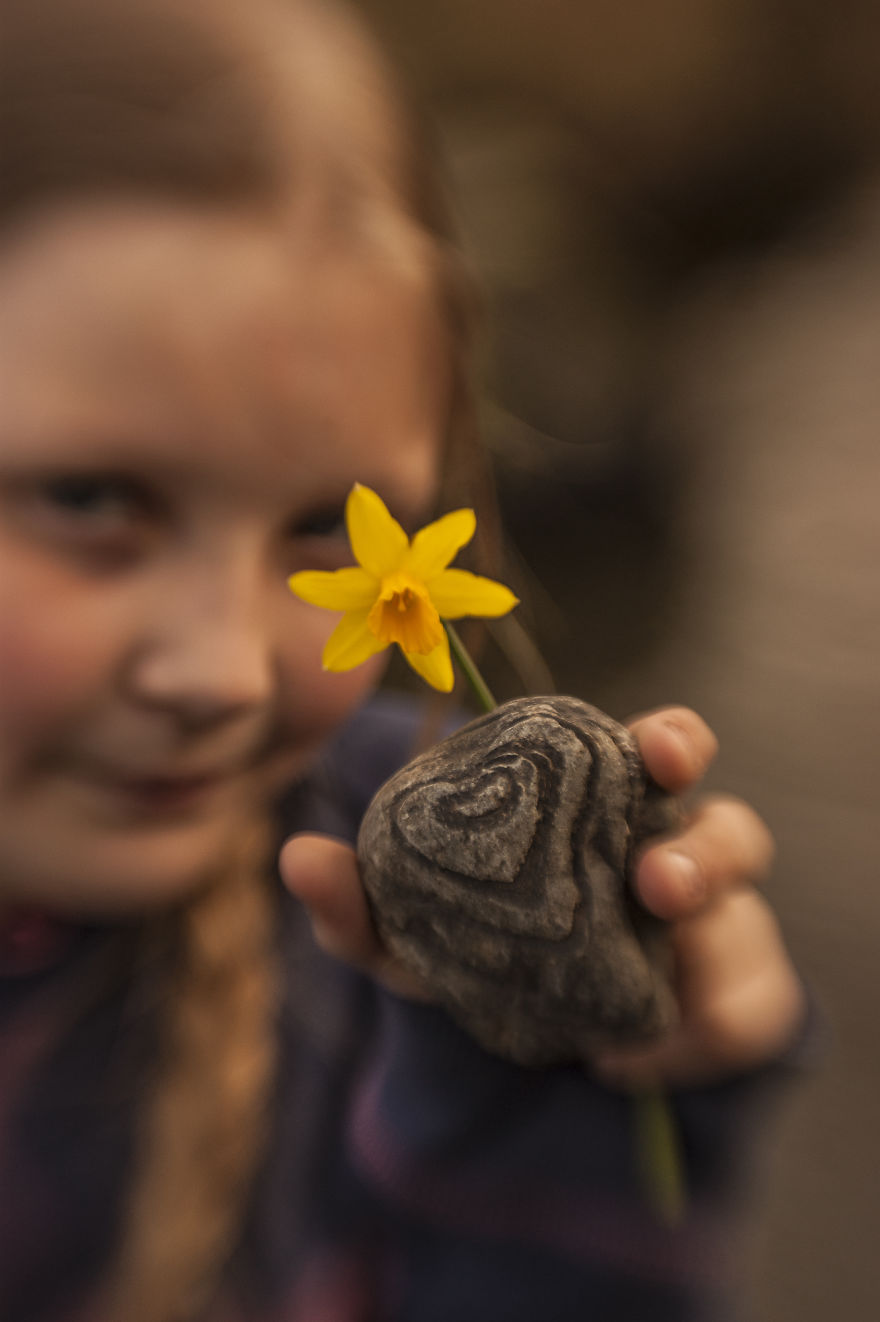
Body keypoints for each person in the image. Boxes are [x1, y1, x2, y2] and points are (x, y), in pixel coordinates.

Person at [0, 1, 807, 1319]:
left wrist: (563, 1096)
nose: (229, 674)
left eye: (322, 521)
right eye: (94, 501)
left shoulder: (382, 937)